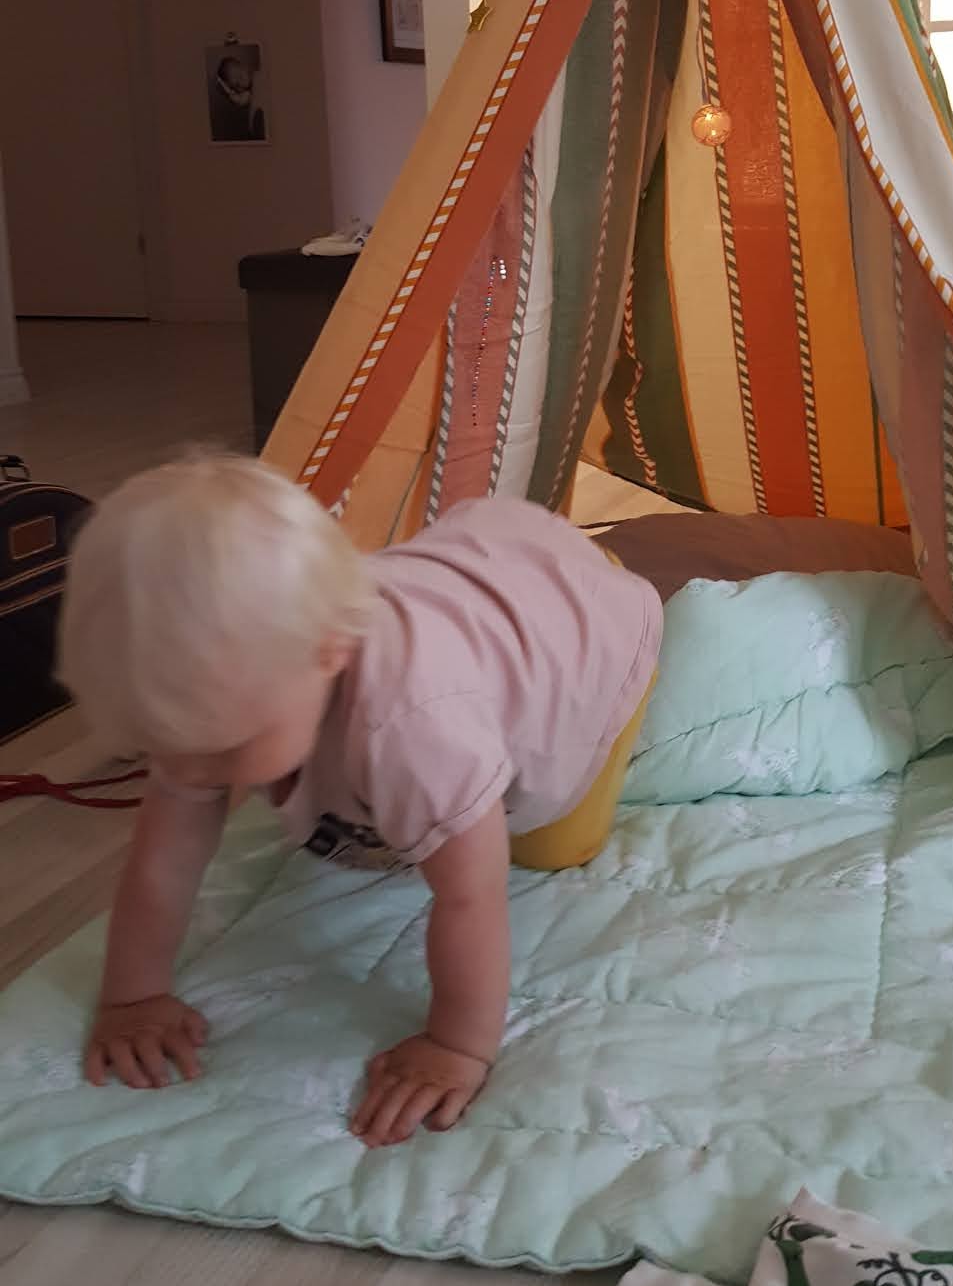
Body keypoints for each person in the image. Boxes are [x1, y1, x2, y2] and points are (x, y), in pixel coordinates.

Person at [57, 457, 661, 1147]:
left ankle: (595, 583)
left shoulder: (415, 728)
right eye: (162, 745)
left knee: (547, 843)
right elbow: (164, 858)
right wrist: (133, 995)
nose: (192, 774)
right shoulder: (249, 676)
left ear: (331, 652)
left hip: (588, 630)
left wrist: (457, 1045)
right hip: (486, 576)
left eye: (226, 746)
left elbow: (471, 895)